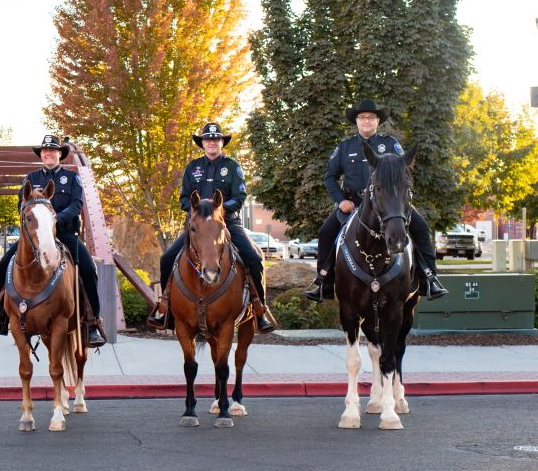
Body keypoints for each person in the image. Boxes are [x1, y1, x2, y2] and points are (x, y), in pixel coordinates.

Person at [303, 99, 448, 302]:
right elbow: (330, 177)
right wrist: (340, 200)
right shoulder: (345, 147)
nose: (366, 121)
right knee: (326, 233)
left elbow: (404, 170)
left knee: (421, 227)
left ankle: (429, 278)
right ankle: (323, 283)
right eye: (362, 117)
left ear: (378, 120)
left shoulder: (390, 144)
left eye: (371, 117)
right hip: (353, 204)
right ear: (356, 121)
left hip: (389, 204)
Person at [0, 134, 107, 348]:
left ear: (60, 155)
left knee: (88, 269)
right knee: (3, 266)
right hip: (35, 237)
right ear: (41, 155)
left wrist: (54, 218)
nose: (48, 154)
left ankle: (92, 323)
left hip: (64, 234)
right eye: (45, 151)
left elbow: (76, 205)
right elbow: (21, 205)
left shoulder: (71, 178)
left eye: (52, 151)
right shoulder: (30, 178)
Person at [146, 123, 276, 333]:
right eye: (208, 140)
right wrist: (197, 212)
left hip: (226, 223)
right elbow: (183, 198)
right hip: (197, 226)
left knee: (253, 257)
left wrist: (219, 212)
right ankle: (165, 310)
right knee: (167, 258)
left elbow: (240, 196)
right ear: (203, 143)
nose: (212, 143)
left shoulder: (233, 167)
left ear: (222, 142)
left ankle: (259, 310)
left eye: (216, 139)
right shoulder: (192, 167)